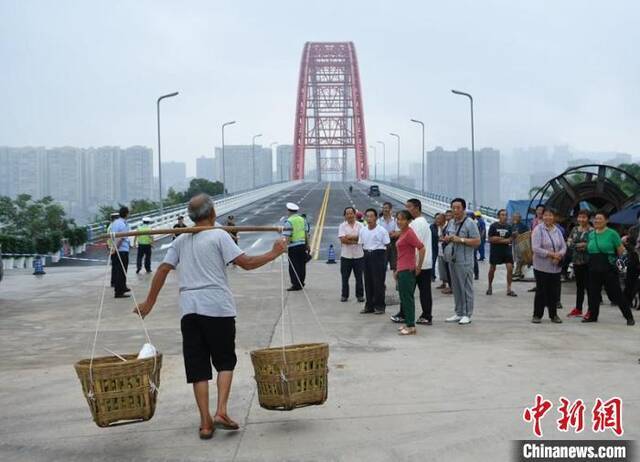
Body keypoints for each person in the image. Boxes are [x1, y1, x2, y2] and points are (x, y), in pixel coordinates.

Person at [135, 194, 287, 439]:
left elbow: (164, 268)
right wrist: (274, 253)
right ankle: (221, 412)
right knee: (225, 360)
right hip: (217, 307)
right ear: (213, 213)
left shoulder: (182, 239)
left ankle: (205, 423)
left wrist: (149, 302)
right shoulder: (219, 235)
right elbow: (246, 263)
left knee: (198, 367)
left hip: (189, 310)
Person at [583, 211, 635, 325]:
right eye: (595, 219)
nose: (597, 221)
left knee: (617, 294)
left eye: (600, 218)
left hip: (608, 268)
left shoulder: (612, 234)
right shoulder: (591, 234)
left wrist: (622, 269)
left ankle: (629, 317)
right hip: (593, 267)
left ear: (606, 220)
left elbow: (622, 251)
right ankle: (593, 316)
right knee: (593, 294)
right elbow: (589, 249)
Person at [390, 199, 433, 325]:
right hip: (420, 263)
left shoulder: (417, 223)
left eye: (409, 207)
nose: (407, 209)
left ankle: (421, 316)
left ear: (417, 208)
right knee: (415, 291)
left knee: (410, 292)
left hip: (416, 264)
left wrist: (416, 265)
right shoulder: (421, 221)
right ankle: (411, 314)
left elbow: (416, 245)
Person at [442, 198, 481, 325]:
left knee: (466, 288)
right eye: (453, 208)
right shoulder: (451, 222)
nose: (455, 210)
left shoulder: (470, 223)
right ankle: (459, 312)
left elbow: (477, 242)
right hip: (452, 260)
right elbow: (447, 236)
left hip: (465, 261)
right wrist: (447, 238)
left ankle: (467, 314)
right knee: (457, 288)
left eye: (458, 208)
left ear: (464, 209)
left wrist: (461, 240)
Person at [531, 208, 565, 324]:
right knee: (541, 291)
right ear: (542, 216)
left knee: (553, 292)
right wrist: (551, 254)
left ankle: (553, 315)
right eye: (546, 215)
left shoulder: (557, 230)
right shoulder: (538, 229)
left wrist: (559, 255)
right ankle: (537, 315)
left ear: (554, 217)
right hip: (541, 267)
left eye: (550, 215)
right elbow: (535, 248)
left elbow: (564, 246)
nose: (548, 217)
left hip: (555, 267)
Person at [394, 210, 426, 335]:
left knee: (407, 298)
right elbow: (402, 254)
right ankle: (408, 322)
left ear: (408, 221)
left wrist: (419, 266)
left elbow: (421, 248)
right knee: (403, 298)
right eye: (398, 218)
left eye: (402, 219)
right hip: (402, 269)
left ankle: (411, 326)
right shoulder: (403, 233)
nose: (399, 221)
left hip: (408, 270)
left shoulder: (409, 233)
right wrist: (397, 269)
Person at [359, 208, 390, 314]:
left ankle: (380, 306)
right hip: (367, 255)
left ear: (376, 218)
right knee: (368, 282)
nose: (369, 218)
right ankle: (369, 306)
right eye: (367, 216)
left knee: (378, 282)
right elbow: (362, 243)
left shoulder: (382, 230)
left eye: (371, 216)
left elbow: (387, 244)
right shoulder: (363, 230)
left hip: (379, 255)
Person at [566, 210, 592, 318]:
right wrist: (580, 245)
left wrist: (580, 245)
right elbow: (569, 243)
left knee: (590, 287)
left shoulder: (592, 231)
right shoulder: (575, 229)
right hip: (576, 261)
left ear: (588, 218)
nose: (581, 219)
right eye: (580, 217)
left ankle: (591, 310)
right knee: (579, 286)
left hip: (588, 262)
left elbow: (591, 245)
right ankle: (578, 308)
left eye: (584, 217)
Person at [486, 209, 517, 297]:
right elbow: (490, 239)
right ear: (498, 216)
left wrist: (499, 239)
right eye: (502, 215)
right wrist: (504, 240)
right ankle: (489, 286)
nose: (504, 217)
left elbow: (511, 239)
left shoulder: (509, 226)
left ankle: (509, 288)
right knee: (492, 269)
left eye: (506, 215)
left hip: (507, 251)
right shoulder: (493, 226)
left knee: (510, 268)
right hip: (495, 251)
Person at [338, 207, 365, 303]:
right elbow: (343, 240)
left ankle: (360, 295)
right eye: (347, 214)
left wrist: (351, 238)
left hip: (359, 256)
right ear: (345, 216)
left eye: (351, 213)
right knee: (345, 277)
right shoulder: (342, 226)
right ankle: (344, 295)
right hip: (346, 256)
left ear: (355, 214)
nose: (349, 215)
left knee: (359, 278)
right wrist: (356, 240)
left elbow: (362, 239)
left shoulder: (361, 225)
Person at [282, 202, 308, 291]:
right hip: (302, 245)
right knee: (302, 265)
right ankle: (301, 283)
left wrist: (285, 247)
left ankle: (295, 285)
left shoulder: (289, 221)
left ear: (289, 211)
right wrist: (308, 245)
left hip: (293, 246)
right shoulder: (302, 219)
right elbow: (306, 233)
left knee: (293, 266)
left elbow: (287, 236)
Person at [109, 206, 131, 298]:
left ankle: (122, 287)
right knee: (121, 271)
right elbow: (121, 238)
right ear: (126, 214)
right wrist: (115, 248)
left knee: (119, 270)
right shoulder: (123, 224)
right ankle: (119, 292)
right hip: (121, 250)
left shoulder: (115, 223)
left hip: (116, 249)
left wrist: (113, 248)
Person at [622, 210, 640, 304]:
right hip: (634, 258)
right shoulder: (633, 229)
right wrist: (635, 250)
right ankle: (626, 301)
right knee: (630, 281)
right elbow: (626, 243)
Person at [378, 202, 399, 272]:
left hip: (393, 246)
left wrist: (385, 234)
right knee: (382, 268)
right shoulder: (379, 221)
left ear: (390, 209)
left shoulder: (395, 220)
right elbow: (378, 235)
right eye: (383, 208)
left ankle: (397, 282)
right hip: (382, 247)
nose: (385, 209)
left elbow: (397, 233)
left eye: (386, 208)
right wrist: (390, 233)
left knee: (395, 267)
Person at [434, 213, 451, 291]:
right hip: (440, 250)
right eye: (436, 219)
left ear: (443, 219)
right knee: (441, 268)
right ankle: (444, 283)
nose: (436, 220)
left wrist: (442, 239)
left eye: (438, 219)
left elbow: (449, 239)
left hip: (446, 251)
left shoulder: (448, 227)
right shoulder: (437, 227)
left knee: (448, 268)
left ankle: (450, 286)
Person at [510, 211, 529, 279]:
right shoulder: (512, 225)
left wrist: (519, 234)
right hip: (514, 243)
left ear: (520, 218)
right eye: (514, 217)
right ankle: (518, 272)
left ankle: (518, 271)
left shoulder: (523, 226)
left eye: (516, 217)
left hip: (522, 243)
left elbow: (527, 234)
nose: (514, 218)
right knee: (517, 257)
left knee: (521, 257)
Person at [107, 212, 120, 287]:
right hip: (115, 248)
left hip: (111, 247)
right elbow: (116, 238)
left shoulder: (110, 226)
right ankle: (114, 282)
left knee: (114, 266)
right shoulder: (114, 227)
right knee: (116, 266)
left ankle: (113, 281)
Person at [429, 215, 439, 282]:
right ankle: (432, 276)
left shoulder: (444, 226)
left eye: (439, 219)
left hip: (442, 247)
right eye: (437, 219)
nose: (438, 220)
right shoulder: (432, 226)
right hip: (434, 246)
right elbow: (435, 235)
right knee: (433, 261)